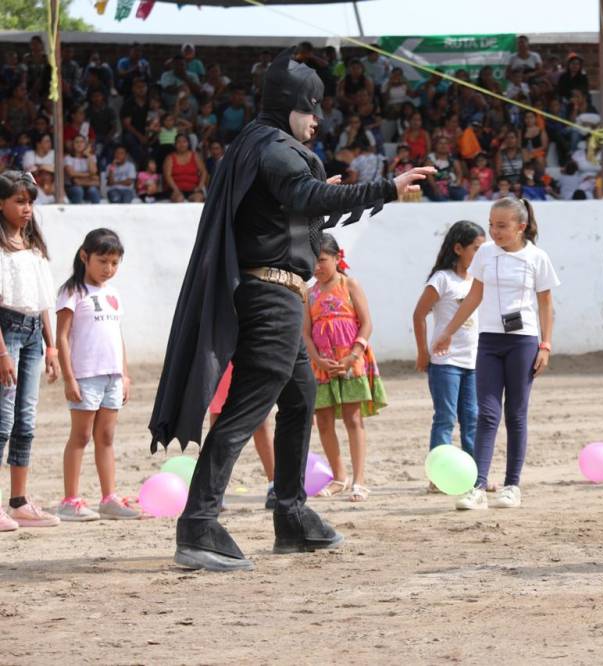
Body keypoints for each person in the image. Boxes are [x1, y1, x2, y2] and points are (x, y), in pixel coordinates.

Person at [148, 48, 433, 571]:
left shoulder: (256, 144)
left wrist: (326, 198)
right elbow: (303, 195)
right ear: (290, 106)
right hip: (272, 299)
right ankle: (199, 523)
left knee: (300, 398)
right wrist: (386, 188)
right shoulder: (277, 148)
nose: (317, 119)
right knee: (248, 406)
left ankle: (291, 514)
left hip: (272, 294)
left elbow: (290, 217)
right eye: (312, 108)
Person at [433, 198, 559, 511]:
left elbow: (545, 303)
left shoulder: (537, 257)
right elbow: (474, 296)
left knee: (516, 413)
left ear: (521, 226)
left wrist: (545, 345)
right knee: (487, 413)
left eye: (502, 226)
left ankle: (512, 485)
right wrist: (448, 331)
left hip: (523, 342)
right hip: (488, 341)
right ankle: (477, 487)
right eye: (492, 224)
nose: (495, 231)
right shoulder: (485, 254)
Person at [54, 229, 141, 522]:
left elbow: (118, 336)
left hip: (112, 377)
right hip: (85, 376)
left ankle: (109, 498)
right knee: (80, 436)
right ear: (84, 256)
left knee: (106, 437)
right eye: (102, 261)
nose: (108, 268)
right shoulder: (72, 292)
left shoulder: (113, 294)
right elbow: (62, 337)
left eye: (114, 263)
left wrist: (124, 375)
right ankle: (70, 500)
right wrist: (69, 378)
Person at [304, 236, 386, 503]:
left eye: (322, 260)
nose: (317, 267)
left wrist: (353, 355)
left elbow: (366, 323)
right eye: (313, 261)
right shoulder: (308, 293)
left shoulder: (349, 284)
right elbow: (305, 334)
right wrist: (317, 360)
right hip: (322, 366)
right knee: (324, 421)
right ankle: (340, 477)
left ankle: (359, 480)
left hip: (351, 361)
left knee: (353, 418)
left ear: (337, 258)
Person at [0, 171, 60, 532]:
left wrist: (51, 345)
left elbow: (42, 301)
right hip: (7, 332)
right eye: (19, 201)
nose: (27, 209)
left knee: (25, 419)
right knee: (2, 420)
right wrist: (2, 353)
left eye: (30, 202)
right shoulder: (1, 247)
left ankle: (19, 501)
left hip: (34, 333)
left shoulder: (33, 244)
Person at [413, 221, 487, 482]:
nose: (480, 254)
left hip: (472, 362)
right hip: (445, 362)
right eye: (476, 249)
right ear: (458, 249)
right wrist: (423, 352)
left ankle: (476, 476)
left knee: (472, 418)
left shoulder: (478, 282)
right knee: (445, 418)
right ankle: (438, 476)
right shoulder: (442, 279)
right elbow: (419, 315)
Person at [208, 362, 276, 509]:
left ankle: (275, 485)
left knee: (260, 418)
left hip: (252, 356)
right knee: (219, 416)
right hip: (221, 357)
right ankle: (214, 490)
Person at [164, 135, 207, 203]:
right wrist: (176, 189)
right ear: (175, 144)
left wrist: (199, 186)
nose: (181, 144)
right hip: (175, 190)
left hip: (193, 190)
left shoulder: (195, 156)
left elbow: (203, 172)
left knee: (198, 199)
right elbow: (167, 176)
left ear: (188, 143)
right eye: (179, 142)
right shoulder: (170, 158)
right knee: (179, 199)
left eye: (184, 142)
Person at [64, 135, 101, 204]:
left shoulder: (91, 157)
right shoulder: (68, 158)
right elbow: (72, 174)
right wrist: (90, 175)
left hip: (88, 187)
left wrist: (88, 154)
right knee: (78, 190)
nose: (79, 144)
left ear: (86, 144)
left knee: (93, 190)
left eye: (82, 142)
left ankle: (97, 209)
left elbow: (94, 171)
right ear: (73, 144)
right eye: (77, 142)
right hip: (72, 187)